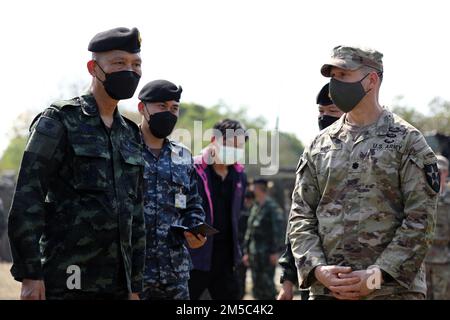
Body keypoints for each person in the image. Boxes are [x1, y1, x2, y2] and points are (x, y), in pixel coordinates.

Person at [288, 45, 440, 300]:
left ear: (371, 80)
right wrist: (317, 269)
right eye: (332, 77)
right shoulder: (318, 145)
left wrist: (376, 275)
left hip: (391, 291)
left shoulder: (407, 141)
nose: (336, 84)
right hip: (329, 291)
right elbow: (300, 215)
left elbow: (421, 220)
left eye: (344, 76)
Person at [8, 27, 146, 300]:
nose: (130, 71)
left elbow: (136, 215)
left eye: (136, 64)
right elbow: (28, 197)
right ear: (94, 68)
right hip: (68, 279)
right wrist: (31, 274)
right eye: (119, 63)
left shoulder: (130, 134)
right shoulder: (59, 120)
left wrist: (135, 286)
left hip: (118, 284)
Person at [137, 80, 206, 300]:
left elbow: (193, 203)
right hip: (133, 274)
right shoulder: (123, 146)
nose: (169, 113)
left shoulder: (183, 155)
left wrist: (196, 229)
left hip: (175, 273)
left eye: (174, 108)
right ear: (142, 108)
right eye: (161, 106)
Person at [277, 83, 344, 300]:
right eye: (321, 112)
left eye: (332, 112)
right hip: (316, 275)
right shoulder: (313, 155)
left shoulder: (375, 153)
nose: (325, 118)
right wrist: (287, 281)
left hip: (360, 276)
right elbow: (298, 222)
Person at [188, 119, 248, 300]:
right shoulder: (193, 169)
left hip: (226, 259)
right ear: (215, 139)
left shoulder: (239, 176)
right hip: (195, 257)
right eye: (231, 144)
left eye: (239, 146)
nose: (235, 151)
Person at [243, 179, 285, 300]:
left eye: (253, 187)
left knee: (267, 287)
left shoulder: (272, 207)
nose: (251, 189)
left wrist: (275, 252)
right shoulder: (256, 206)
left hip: (267, 254)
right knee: (256, 287)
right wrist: (246, 251)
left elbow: (278, 231)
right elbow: (249, 230)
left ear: (259, 188)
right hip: (254, 253)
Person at [424, 155, 450, 299]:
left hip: (444, 261)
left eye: (440, 172)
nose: (437, 175)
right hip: (422, 260)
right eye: (434, 171)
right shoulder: (422, 195)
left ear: (446, 173)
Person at [236, 190, 255, 299]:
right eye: (246, 199)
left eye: (249, 199)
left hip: (253, 249)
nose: (247, 201)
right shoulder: (241, 212)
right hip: (242, 248)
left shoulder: (255, 210)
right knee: (240, 276)